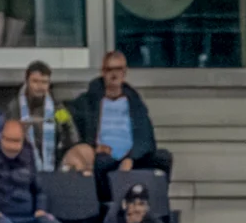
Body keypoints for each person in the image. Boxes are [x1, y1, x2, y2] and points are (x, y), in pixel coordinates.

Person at [67, 51, 174, 188]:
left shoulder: (134, 101)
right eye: (109, 69)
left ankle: (157, 202)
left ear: (125, 72)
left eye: (118, 69)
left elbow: (146, 136)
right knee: (101, 162)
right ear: (103, 72)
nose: (114, 74)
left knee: (163, 158)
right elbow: (65, 117)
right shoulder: (89, 100)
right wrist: (92, 146)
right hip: (104, 157)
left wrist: (131, 158)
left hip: (134, 157)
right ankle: (107, 207)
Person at [8, 60, 82, 174]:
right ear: (26, 82)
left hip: (55, 162)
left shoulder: (57, 107)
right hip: (22, 162)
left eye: (44, 82)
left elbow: (71, 133)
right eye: (35, 81)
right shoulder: (15, 107)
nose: (40, 87)